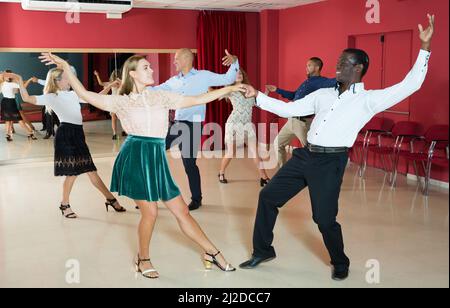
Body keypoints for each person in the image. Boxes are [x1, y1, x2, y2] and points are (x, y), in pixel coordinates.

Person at [238, 15, 435, 281]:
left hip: (330, 163)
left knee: (324, 219)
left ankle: (340, 261)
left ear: (359, 68)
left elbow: (410, 84)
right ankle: (263, 250)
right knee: (268, 197)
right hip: (305, 155)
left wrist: (425, 48)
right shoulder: (323, 94)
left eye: (345, 62)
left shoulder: (368, 100)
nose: (338, 65)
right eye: (339, 61)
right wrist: (257, 96)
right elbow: (290, 109)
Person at [38, 53, 242, 279]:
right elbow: (85, 94)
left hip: (156, 157)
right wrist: (65, 66)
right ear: (132, 73)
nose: (152, 70)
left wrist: (230, 88)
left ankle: (212, 252)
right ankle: (142, 259)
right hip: (135, 156)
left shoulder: (161, 96)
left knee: (181, 210)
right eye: (146, 68)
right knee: (151, 212)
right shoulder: (122, 101)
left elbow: (197, 99)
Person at [5, 69, 126, 219]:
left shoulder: (73, 94)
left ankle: (110, 199)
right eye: (68, 78)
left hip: (77, 134)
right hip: (66, 135)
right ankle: (65, 204)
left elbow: (95, 97)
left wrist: (111, 85)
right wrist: (20, 78)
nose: (71, 81)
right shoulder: (51, 96)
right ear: (58, 80)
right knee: (72, 172)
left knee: (91, 170)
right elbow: (27, 98)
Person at [152, 48, 240, 211]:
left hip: (193, 126)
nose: (174, 61)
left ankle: (196, 199)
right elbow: (156, 90)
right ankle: (149, 196)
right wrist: (134, 89)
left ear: (186, 59)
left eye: (176, 58)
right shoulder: (174, 81)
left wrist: (234, 60)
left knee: (189, 164)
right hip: (176, 124)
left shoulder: (203, 76)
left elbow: (228, 78)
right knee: (153, 151)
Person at [265, 57, 336, 167]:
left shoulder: (321, 82)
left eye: (309, 65)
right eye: (306, 65)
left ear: (317, 68)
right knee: (278, 143)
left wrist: (346, 75)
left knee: (311, 151)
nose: (306, 68)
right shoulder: (306, 82)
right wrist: (277, 90)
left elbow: (334, 81)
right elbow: (294, 96)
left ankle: (318, 174)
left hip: (302, 123)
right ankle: (283, 172)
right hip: (291, 121)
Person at [218, 68, 270, 187]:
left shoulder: (249, 89)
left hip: (247, 125)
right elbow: (217, 96)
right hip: (234, 124)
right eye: (236, 74)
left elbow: (258, 104)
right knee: (231, 152)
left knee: (255, 153)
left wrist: (266, 92)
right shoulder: (230, 90)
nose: (239, 75)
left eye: (240, 73)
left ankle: (264, 177)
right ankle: (221, 173)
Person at [0, 70, 37, 141]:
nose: (9, 77)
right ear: (4, 77)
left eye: (10, 75)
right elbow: (23, 87)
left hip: (4, 102)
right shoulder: (10, 84)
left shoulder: (2, 84)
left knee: (8, 120)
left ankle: (8, 135)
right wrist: (29, 80)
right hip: (10, 103)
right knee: (19, 120)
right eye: (7, 76)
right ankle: (30, 133)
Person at [94, 70, 125, 140]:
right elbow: (101, 83)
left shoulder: (119, 83)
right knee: (119, 118)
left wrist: (97, 75)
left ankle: (116, 133)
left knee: (118, 118)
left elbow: (101, 83)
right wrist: (97, 75)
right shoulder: (113, 83)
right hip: (116, 101)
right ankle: (117, 133)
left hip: (117, 101)